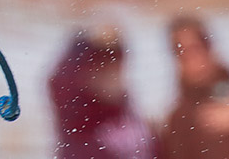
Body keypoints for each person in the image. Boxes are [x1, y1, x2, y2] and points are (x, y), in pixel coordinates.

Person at [47, 26, 153, 159]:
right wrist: (89, 40)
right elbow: (59, 82)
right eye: (102, 69)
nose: (111, 77)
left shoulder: (129, 113)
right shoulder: (79, 121)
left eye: (115, 67)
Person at [160, 15, 229, 159]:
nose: (191, 57)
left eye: (196, 47)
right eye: (181, 50)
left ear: (209, 47)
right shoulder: (179, 120)